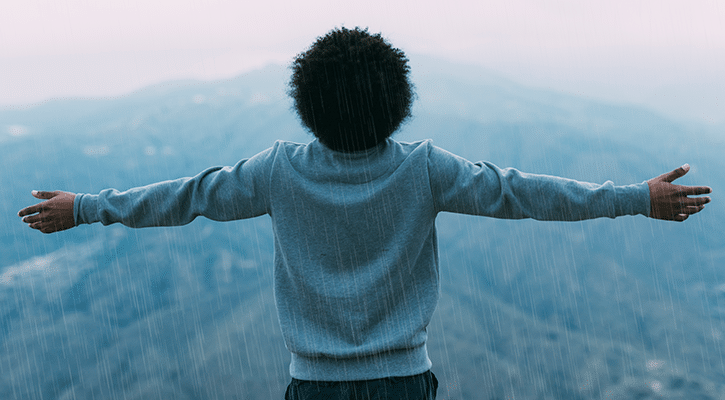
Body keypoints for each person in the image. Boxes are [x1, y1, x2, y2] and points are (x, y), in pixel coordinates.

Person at [17, 27, 711, 400]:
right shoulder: (424, 169)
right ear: (396, 102)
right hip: (406, 383)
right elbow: (526, 193)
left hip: (314, 388)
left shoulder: (277, 172)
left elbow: (186, 197)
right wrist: (635, 199)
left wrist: (85, 208)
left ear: (308, 105)